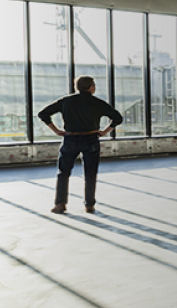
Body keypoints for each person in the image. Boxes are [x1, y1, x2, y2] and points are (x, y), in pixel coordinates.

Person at [38, 76, 122, 214]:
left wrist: (57, 131)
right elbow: (117, 118)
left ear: (77, 87)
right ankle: (89, 205)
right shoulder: (97, 103)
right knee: (90, 173)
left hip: (70, 138)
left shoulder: (66, 101)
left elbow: (43, 114)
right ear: (91, 87)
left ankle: (60, 204)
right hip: (91, 139)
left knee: (63, 172)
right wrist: (104, 132)